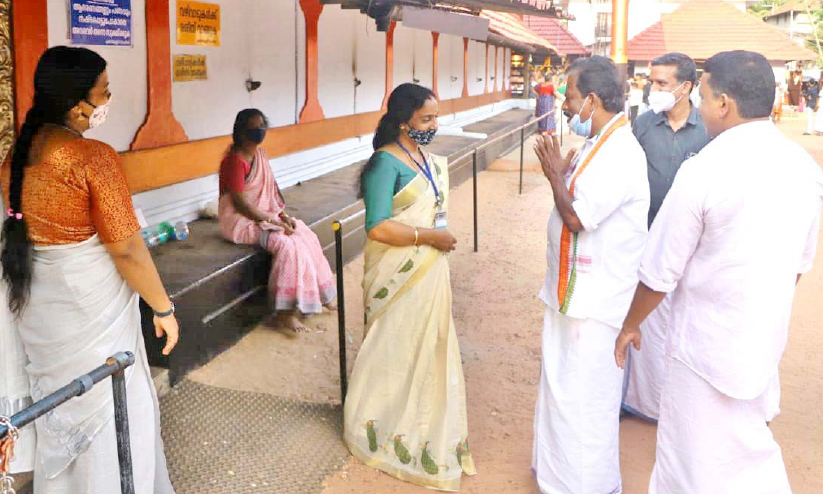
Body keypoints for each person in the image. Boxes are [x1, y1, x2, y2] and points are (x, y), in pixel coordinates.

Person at [615, 50, 823, 494]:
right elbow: (799, 267)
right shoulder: (804, 168)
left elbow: (660, 270)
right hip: (761, 340)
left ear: (724, 104)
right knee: (748, 451)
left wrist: (631, 324)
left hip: (703, 349)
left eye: (705, 98)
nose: (702, 107)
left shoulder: (705, 169)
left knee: (693, 460)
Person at [0, 46, 177, 493]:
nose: (108, 99)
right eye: (104, 91)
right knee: (116, 410)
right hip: (90, 318)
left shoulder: (17, 157)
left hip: (43, 315)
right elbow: (128, 249)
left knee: (62, 412)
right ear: (77, 103)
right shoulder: (92, 157)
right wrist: (163, 308)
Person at [343, 83, 476, 491]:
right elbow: (377, 226)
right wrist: (429, 237)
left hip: (431, 270)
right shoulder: (385, 163)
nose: (434, 125)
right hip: (400, 273)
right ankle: (378, 425)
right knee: (394, 345)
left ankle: (425, 423)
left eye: (436, 117)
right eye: (426, 119)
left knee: (429, 345)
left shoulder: (426, 159)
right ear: (404, 121)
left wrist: (434, 241)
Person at [531, 56, 649, 494]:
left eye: (571, 97)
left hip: (596, 299)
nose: (565, 104)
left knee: (585, 397)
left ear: (593, 100)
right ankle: (556, 474)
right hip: (573, 293)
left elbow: (577, 217)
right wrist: (563, 174)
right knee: (561, 388)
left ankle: (586, 485)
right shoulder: (598, 142)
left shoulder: (620, 153)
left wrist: (553, 176)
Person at [623, 52, 710, 423]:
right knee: (643, 317)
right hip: (645, 236)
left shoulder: (708, 130)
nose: (652, 89)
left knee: (686, 322)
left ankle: (683, 403)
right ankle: (639, 399)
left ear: (685, 87)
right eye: (651, 81)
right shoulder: (643, 124)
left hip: (694, 246)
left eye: (661, 83)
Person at [218, 109, 336, 333]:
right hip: (240, 222)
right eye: (254, 127)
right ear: (241, 131)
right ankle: (285, 312)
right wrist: (272, 222)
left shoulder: (260, 156)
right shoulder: (234, 161)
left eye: (262, 126)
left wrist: (283, 217)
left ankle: (323, 295)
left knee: (304, 234)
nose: (259, 131)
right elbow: (241, 203)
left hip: (264, 217)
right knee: (288, 246)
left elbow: (270, 196)